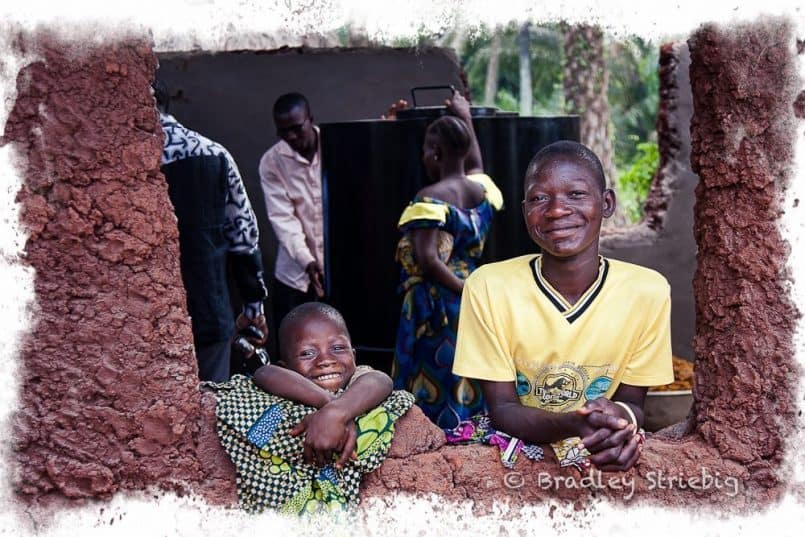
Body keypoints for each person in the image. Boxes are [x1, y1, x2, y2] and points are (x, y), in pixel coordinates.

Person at [452, 140, 674, 472]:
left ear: (607, 202)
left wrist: (621, 425)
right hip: (516, 457)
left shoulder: (648, 291)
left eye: (576, 194)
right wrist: (575, 424)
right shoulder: (488, 287)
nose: (556, 210)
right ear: (525, 210)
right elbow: (503, 410)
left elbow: (632, 404)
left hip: (596, 448)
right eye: (540, 198)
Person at [213, 303, 414, 514]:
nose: (326, 360)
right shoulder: (285, 383)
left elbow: (380, 380)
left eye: (337, 348)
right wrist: (329, 406)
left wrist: (338, 412)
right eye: (308, 353)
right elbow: (264, 373)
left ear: (354, 355)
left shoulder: (358, 379)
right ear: (286, 367)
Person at [391, 91, 503, 430]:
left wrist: (462, 293)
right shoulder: (481, 190)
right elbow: (476, 165)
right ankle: (469, 433)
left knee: (434, 374)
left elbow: (428, 261)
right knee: (468, 371)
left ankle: (433, 440)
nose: (424, 155)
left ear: (436, 152)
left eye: (427, 148)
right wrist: (464, 116)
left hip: (439, 302)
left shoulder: (430, 198)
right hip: (474, 286)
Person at [154, 79, 268, 382]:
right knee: (211, 408)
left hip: (146, 324)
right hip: (210, 314)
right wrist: (253, 306)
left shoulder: (120, 162)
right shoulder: (213, 153)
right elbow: (244, 236)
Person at [258, 93, 326, 340]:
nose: (291, 137)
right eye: (283, 132)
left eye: (297, 129)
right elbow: (283, 219)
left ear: (311, 120)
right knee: (295, 350)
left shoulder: (337, 146)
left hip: (336, 272)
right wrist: (308, 261)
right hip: (295, 278)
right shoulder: (271, 162)